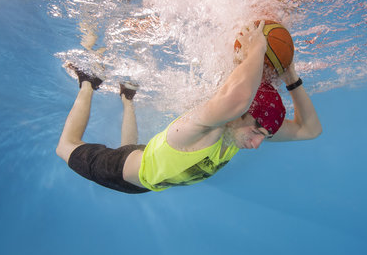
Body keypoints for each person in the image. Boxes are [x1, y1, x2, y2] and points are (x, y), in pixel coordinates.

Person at [56, 21, 322, 194]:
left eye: (263, 136)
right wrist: (258, 47)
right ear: (241, 114)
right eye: (258, 132)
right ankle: (89, 82)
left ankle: (127, 98)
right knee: (66, 146)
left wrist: (292, 80)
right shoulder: (199, 128)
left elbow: (309, 129)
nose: (256, 144)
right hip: (119, 171)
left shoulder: (240, 131)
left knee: (132, 147)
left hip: (146, 175)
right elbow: (238, 97)